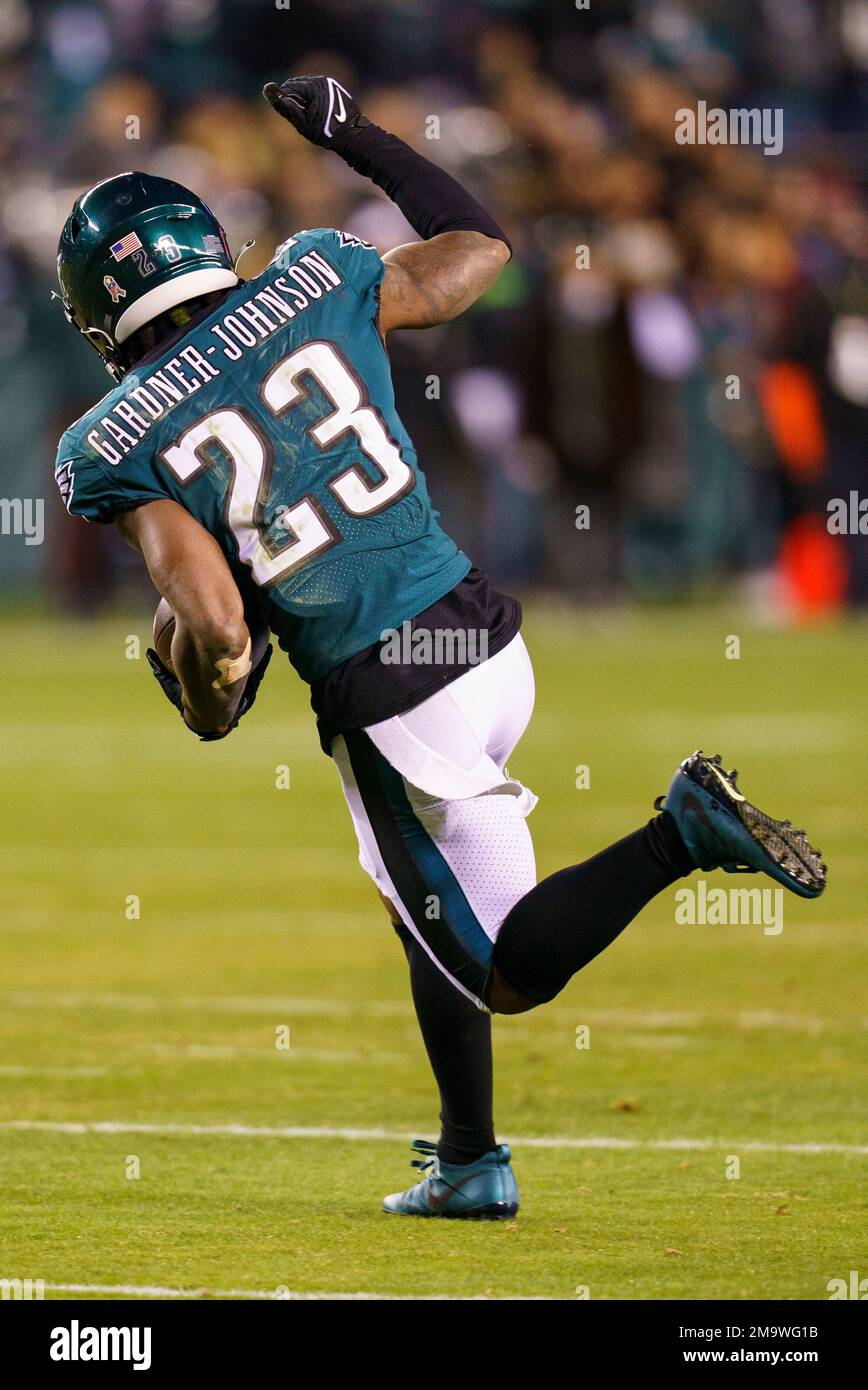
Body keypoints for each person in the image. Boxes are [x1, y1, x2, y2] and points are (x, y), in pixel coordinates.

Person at [54, 76, 826, 1221]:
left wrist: (207, 688)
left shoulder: (111, 434)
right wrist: (350, 131)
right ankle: (471, 1159)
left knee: (499, 967)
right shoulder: (319, 273)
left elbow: (214, 621)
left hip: (391, 696)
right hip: (481, 632)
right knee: (418, 907)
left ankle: (680, 832)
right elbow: (479, 246)